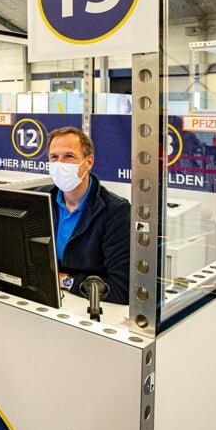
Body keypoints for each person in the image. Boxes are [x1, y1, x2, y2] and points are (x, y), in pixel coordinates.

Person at [45, 126, 130, 304]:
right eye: (54, 157)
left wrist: (65, 281)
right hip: (48, 301)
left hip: (93, 308)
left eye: (69, 156)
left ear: (88, 162)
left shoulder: (116, 212)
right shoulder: (41, 200)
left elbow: (123, 287)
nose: (60, 164)